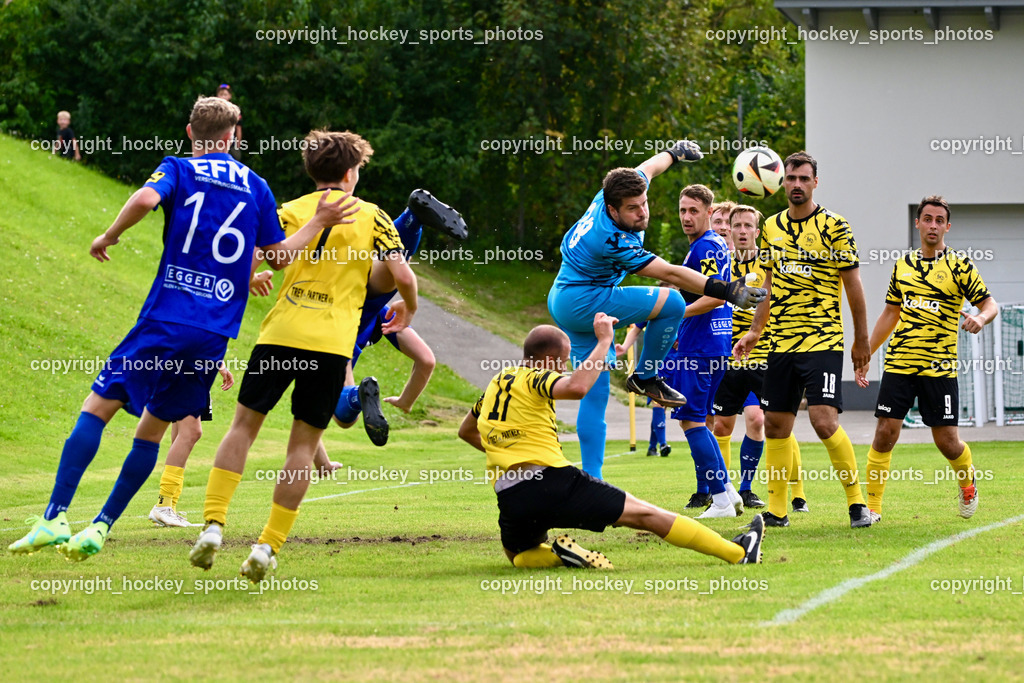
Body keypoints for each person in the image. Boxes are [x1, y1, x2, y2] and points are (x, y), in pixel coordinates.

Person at [8, 96, 356, 560]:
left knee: (98, 407)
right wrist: (318, 222)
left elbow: (145, 198)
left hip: (167, 317)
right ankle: (101, 526)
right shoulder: (256, 186)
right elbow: (278, 257)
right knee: (153, 430)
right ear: (231, 137)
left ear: (191, 132)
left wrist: (110, 236)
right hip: (213, 334)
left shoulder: (179, 167)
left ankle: (55, 516)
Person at [188, 128, 415, 583]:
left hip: (280, 334)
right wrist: (409, 307)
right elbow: (402, 274)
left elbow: (250, 259)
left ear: (312, 171)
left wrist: (252, 277)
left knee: (242, 428)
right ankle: (267, 546)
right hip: (331, 345)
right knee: (302, 447)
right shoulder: (373, 216)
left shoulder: (289, 209)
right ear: (350, 174)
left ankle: (213, 525)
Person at [457, 313, 764, 568]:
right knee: (646, 515)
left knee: (519, 555)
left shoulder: (496, 383)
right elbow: (576, 387)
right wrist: (604, 341)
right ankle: (738, 552)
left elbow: (466, 431)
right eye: (563, 361)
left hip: (510, 494)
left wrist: (507, 451)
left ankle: (563, 556)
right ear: (548, 360)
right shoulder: (536, 375)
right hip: (552, 480)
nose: (564, 366)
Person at [547, 141, 766, 480]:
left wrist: (675, 153)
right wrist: (727, 290)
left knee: (594, 392)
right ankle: (647, 376)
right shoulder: (611, 239)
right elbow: (671, 274)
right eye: (632, 209)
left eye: (644, 203)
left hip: (563, 297)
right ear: (612, 209)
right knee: (673, 302)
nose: (642, 213)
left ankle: (593, 479)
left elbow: (649, 168)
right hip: (585, 300)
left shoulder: (615, 191)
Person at [734, 151, 874, 529]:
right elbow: (767, 283)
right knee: (776, 425)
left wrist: (861, 340)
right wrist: (755, 331)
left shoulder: (834, 226)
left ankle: (857, 504)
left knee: (823, 420)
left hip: (823, 340)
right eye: (791, 178)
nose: (797, 184)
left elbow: (853, 286)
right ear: (783, 182)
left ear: (815, 182)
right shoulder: (771, 227)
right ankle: (777, 511)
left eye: (804, 178)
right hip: (780, 343)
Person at [857, 195, 996, 520]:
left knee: (947, 441)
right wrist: (866, 352)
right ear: (917, 223)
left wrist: (980, 318)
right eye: (928, 219)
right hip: (899, 364)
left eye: (939, 220)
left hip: (939, 368)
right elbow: (890, 313)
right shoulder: (902, 265)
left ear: (947, 227)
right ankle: (872, 508)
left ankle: (968, 483)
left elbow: (990, 304)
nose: (933, 225)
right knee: (885, 432)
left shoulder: (960, 265)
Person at [711, 205, 808, 512]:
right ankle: (722, 492)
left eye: (748, 226)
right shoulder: (720, 264)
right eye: (736, 225)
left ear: (757, 231)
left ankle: (793, 493)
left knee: (766, 420)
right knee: (721, 426)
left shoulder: (769, 265)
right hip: (728, 358)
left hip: (765, 355)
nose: (741, 231)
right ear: (729, 229)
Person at [667, 185, 743, 518]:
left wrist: (676, 315)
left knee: (690, 421)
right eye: (682, 210)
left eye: (693, 211)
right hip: (715, 345)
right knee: (700, 421)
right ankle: (728, 490)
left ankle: (721, 500)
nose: (686, 217)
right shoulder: (713, 244)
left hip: (700, 347)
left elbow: (716, 296)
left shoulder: (705, 247)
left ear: (709, 213)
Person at [148, 362, 233, 527]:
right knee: (191, 433)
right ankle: (163, 506)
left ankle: (168, 508)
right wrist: (220, 365)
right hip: (187, 371)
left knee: (180, 436)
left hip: (188, 371)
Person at [614, 323, 670, 457]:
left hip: (676, 364)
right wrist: (624, 347)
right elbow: (636, 329)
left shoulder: (680, 312)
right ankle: (663, 444)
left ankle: (652, 447)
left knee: (662, 408)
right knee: (658, 403)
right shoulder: (654, 311)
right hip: (656, 365)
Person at [215, 84, 243, 159]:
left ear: (230, 96)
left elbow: (238, 128)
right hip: (216, 143)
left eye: (225, 94)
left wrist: (238, 145)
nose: (223, 97)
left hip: (231, 144)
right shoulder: (213, 109)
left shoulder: (235, 111)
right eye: (221, 94)